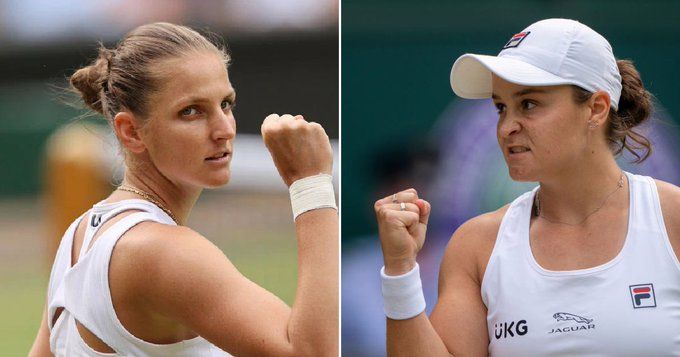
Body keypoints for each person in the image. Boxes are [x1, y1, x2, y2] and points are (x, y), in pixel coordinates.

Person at [29, 22, 338, 357]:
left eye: (226, 104)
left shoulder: (79, 236)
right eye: (191, 111)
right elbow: (312, 352)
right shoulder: (161, 251)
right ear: (131, 131)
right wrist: (311, 184)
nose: (224, 130)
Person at [374, 18, 680, 356]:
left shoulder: (674, 217)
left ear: (595, 109)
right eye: (501, 107)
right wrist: (400, 271)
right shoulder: (476, 246)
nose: (506, 127)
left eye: (529, 104)